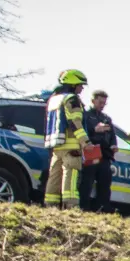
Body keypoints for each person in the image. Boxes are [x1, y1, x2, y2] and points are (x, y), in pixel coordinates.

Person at [43, 69, 91, 209]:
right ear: (73, 84)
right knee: (70, 176)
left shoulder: (53, 99)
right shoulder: (71, 99)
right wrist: (85, 142)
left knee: (54, 177)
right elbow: (75, 122)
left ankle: (50, 207)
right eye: (80, 85)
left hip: (56, 146)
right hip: (71, 146)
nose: (82, 88)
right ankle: (71, 207)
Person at [80, 90, 118, 213]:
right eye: (100, 102)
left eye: (104, 103)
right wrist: (94, 130)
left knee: (105, 183)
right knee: (87, 182)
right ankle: (84, 207)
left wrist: (113, 145)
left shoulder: (106, 118)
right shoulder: (85, 115)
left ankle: (103, 208)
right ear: (93, 100)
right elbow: (82, 133)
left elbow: (112, 135)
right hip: (90, 151)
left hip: (105, 154)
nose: (102, 105)